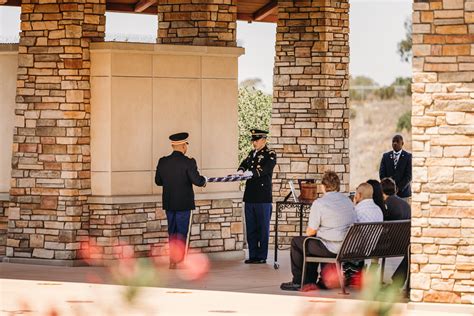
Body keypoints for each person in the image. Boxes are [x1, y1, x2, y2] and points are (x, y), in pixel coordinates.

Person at [280, 171, 355, 291]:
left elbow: (310, 232)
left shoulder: (320, 203)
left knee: (298, 242)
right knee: (311, 243)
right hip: (346, 246)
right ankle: (311, 281)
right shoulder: (347, 201)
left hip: (330, 247)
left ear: (323, 186)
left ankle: (299, 281)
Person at [155, 132, 207, 269]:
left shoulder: (163, 161)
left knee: (172, 232)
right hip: (184, 203)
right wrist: (204, 181)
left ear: (173, 145)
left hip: (169, 202)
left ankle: (172, 260)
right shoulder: (188, 162)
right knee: (182, 232)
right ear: (184, 145)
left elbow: (158, 181)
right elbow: (197, 181)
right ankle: (179, 259)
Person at [237, 129, 276, 264]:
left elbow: (266, 169)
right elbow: (243, 163)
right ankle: (253, 254)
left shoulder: (269, 154)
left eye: (256, 140)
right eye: (253, 140)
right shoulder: (251, 154)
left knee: (262, 227)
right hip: (250, 196)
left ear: (264, 140)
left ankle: (262, 256)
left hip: (262, 197)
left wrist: (251, 173)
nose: (254, 143)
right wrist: (241, 170)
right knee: (251, 227)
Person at [343, 182, 384, 286]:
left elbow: (349, 229)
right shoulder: (378, 210)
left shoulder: (357, 209)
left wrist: (353, 205)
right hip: (375, 248)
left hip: (359, 249)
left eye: (356, 194)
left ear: (359, 195)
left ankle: (352, 275)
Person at [381, 177, 411, 287]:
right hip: (406, 243)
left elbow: (384, 224)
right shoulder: (405, 204)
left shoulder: (387, 204)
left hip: (393, 244)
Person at [379, 134, 412, 200]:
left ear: (402, 143)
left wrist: (398, 188)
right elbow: (382, 173)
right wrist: (388, 187)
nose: (395, 143)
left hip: (403, 194)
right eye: (393, 141)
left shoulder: (408, 157)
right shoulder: (386, 156)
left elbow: (409, 176)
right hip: (387, 194)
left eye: (397, 141)